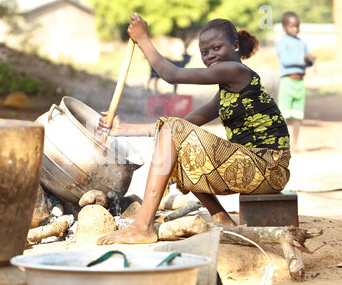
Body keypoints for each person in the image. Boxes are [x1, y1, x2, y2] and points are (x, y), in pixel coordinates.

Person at [97, 14, 291, 245]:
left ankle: (142, 226)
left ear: (235, 46)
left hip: (269, 167)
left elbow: (172, 75)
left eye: (216, 48)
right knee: (177, 144)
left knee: (175, 133)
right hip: (256, 167)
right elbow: (179, 127)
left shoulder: (236, 71)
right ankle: (222, 219)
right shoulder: (227, 92)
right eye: (205, 52)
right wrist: (123, 128)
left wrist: (143, 40)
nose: (210, 56)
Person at [276, 11, 316, 151]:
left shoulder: (302, 43)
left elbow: (307, 63)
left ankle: (296, 144)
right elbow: (286, 61)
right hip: (287, 82)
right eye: (292, 26)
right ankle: (283, 145)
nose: (295, 29)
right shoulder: (282, 42)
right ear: (284, 27)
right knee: (285, 115)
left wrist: (311, 60)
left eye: (297, 26)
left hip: (300, 83)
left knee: (298, 115)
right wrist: (304, 59)